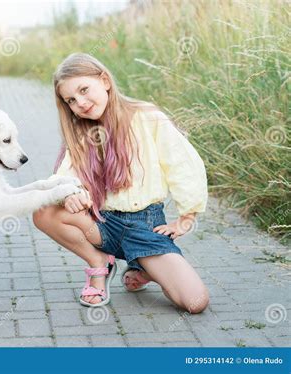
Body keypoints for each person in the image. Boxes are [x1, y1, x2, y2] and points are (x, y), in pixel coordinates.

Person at [33, 53, 209, 313]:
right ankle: (99, 262)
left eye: (84, 90)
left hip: (145, 226)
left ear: (104, 80)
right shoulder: (81, 133)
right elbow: (64, 177)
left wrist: (187, 216)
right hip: (102, 224)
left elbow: (182, 163)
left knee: (195, 302)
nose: (80, 103)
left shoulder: (147, 117)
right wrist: (68, 194)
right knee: (44, 210)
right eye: (71, 100)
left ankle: (144, 265)